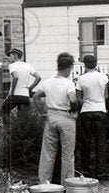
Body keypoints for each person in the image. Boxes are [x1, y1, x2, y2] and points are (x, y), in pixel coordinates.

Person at [31, 52, 78, 184]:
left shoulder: (48, 82)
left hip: (51, 116)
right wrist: (74, 110)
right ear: (68, 68)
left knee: (48, 154)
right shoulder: (68, 83)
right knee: (67, 154)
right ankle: (67, 184)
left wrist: (42, 112)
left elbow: (35, 97)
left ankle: (44, 183)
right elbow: (73, 100)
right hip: (66, 116)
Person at [75, 53, 109, 176]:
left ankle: (85, 169)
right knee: (100, 141)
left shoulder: (81, 78)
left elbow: (78, 97)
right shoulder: (103, 76)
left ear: (84, 65)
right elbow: (106, 96)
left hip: (86, 110)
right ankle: (101, 170)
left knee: (85, 141)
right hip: (100, 109)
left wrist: (84, 103)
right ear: (96, 64)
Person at [2, 48, 41, 117]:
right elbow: (38, 77)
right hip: (25, 96)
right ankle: (20, 127)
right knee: (22, 117)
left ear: (15, 56)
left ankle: (8, 127)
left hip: (15, 95)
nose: (9, 59)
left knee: (3, 111)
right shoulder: (28, 66)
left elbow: (16, 77)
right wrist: (29, 89)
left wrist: (12, 92)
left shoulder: (12, 65)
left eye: (10, 56)